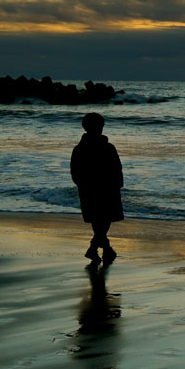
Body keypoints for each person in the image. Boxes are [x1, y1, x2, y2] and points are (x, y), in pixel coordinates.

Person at [70, 112, 124, 263]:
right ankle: (96, 248)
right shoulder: (107, 147)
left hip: (91, 189)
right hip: (106, 189)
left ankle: (103, 248)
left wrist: (82, 184)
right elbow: (117, 168)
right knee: (104, 219)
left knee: (98, 219)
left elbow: (75, 172)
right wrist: (118, 184)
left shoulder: (79, 148)